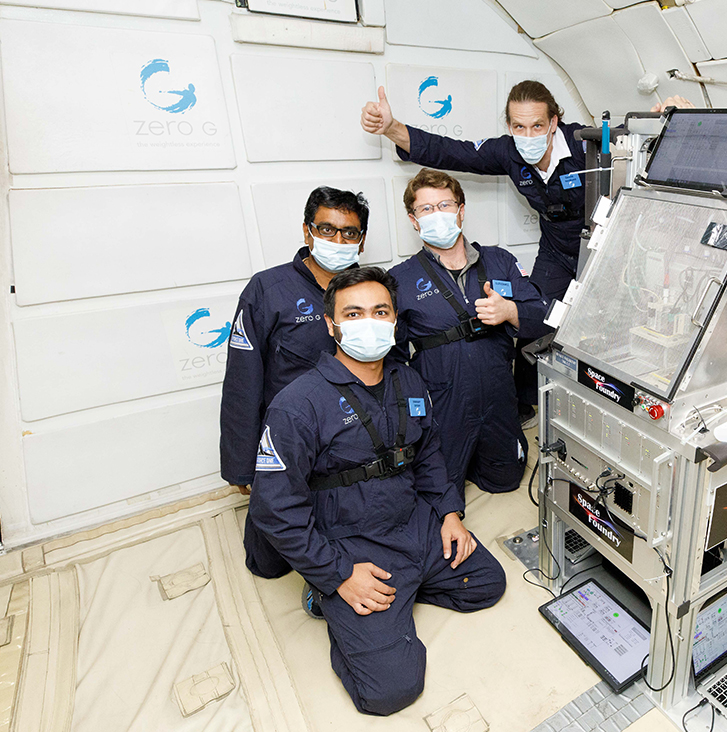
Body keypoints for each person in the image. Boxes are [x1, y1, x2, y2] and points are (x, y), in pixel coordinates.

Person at [244, 266, 506, 716]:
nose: (369, 321)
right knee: (390, 692)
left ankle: (399, 593)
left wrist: (449, 514)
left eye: (379, 311)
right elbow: (274, 509)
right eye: (354, 312)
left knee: (486, 584)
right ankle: (327, 599)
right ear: (332, 326)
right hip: (351, 543)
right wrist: (338, 574)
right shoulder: (297, 405)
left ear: (395, 319)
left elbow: (428, 454)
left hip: (413, 525)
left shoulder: (408, 380)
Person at [360, 83, 695, 426]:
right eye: (519, 126)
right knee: (532, 318)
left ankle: (609, 404)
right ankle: (523, 405)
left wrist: (666, 120)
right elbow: (452, 151)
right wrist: (392, 128)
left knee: (610, 324)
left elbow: (634, 140)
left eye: (537, 125)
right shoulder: (509, 152)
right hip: (556, 250)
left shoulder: (586, 143)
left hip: (606, 249)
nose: (528, 134)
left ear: (554, 122)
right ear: (508, 126)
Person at [388, 168, 549, 501]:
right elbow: (393, 356)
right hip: (445, 401)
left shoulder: (499, 260)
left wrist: (510, 312)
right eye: (426, 209)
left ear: (461, 210)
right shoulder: (400, 279)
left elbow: (543, 315)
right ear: (414, 220)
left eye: (445, 205)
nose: (437, 215)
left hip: (499, 396)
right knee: (441, 496)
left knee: (507, 480)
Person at [220, 187, 368, 494]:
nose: (338, 241)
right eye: (327, 229)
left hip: (358, 439)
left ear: (362, 241)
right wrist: (241, 464)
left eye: (349, 233)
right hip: (292, 440)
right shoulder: (268, 289)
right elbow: (242, 381)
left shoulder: (373, 291)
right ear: (307, 232)